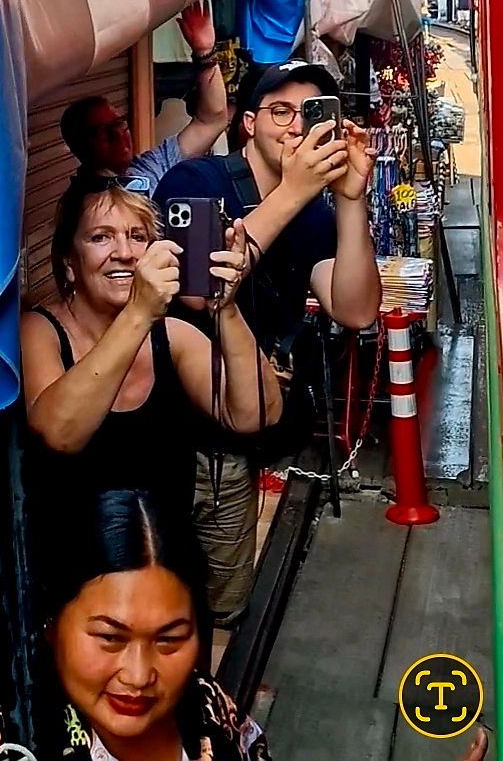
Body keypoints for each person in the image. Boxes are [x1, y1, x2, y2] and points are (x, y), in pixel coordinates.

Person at [154, 61, 380, 627]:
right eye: (280, 112)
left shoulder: (316, 215)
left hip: (240, 436)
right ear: (248, 123)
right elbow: (199, 292)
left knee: (221, 604)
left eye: (311, 115)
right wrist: (295, 192)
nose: (295, 127)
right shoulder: (194, 182)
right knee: (160, 594)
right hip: (170, 433)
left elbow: (355, 308)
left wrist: (351, 201)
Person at [0, 488, 272, 761]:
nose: (139, 676)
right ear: (51, 623)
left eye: (169, 639)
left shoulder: (206, 703)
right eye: (110, 637)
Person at [19, 173, 283, 537]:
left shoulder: (170, 335)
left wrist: (225, 309)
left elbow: (257, 414)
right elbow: (59, 433)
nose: (125, 253)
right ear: (69, 261)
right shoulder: (39, 329)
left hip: (161, 553)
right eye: (100, 237)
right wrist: (138, 312)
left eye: (138, 237)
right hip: (73, 555)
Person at [60, 2, 228, 192]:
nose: (118, 134)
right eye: (102, 131)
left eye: (119, 123)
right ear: (80, 147)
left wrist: (205, 53)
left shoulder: (149, 168)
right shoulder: (83, 201)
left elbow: (212, 121)